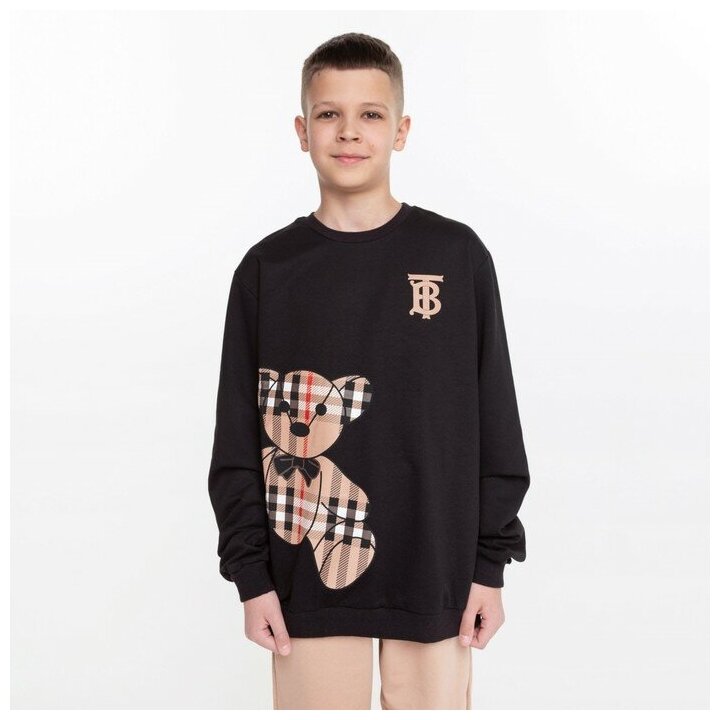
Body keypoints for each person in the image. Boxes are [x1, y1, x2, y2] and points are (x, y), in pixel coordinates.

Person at [207, 32, 530, 710]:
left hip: (438, 574)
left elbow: (495, 418)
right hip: (303, 580)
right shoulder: (267, 271)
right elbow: (236, 438)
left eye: (371, 114)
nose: (349, 131)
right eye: (329, 113)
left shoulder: (456, 256)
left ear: (401, 131)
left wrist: (489, 565)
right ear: (302, 131)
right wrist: (250, 577)